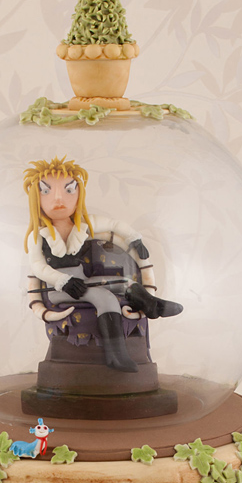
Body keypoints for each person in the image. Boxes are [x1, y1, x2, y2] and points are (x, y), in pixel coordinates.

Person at [23, 156, 182, 373]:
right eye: (46, 191)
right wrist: (62, 280)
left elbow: (114, 224)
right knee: (104, 297)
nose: (58, 198)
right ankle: (116, 355)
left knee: (124, 282)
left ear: (79, 194)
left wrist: (134, 239)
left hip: (83, 282)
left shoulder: (83, 225)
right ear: (35, 197)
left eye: (68, 190)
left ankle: (153, 305)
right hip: (59, 290)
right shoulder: (37, 236)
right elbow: (37, 266)